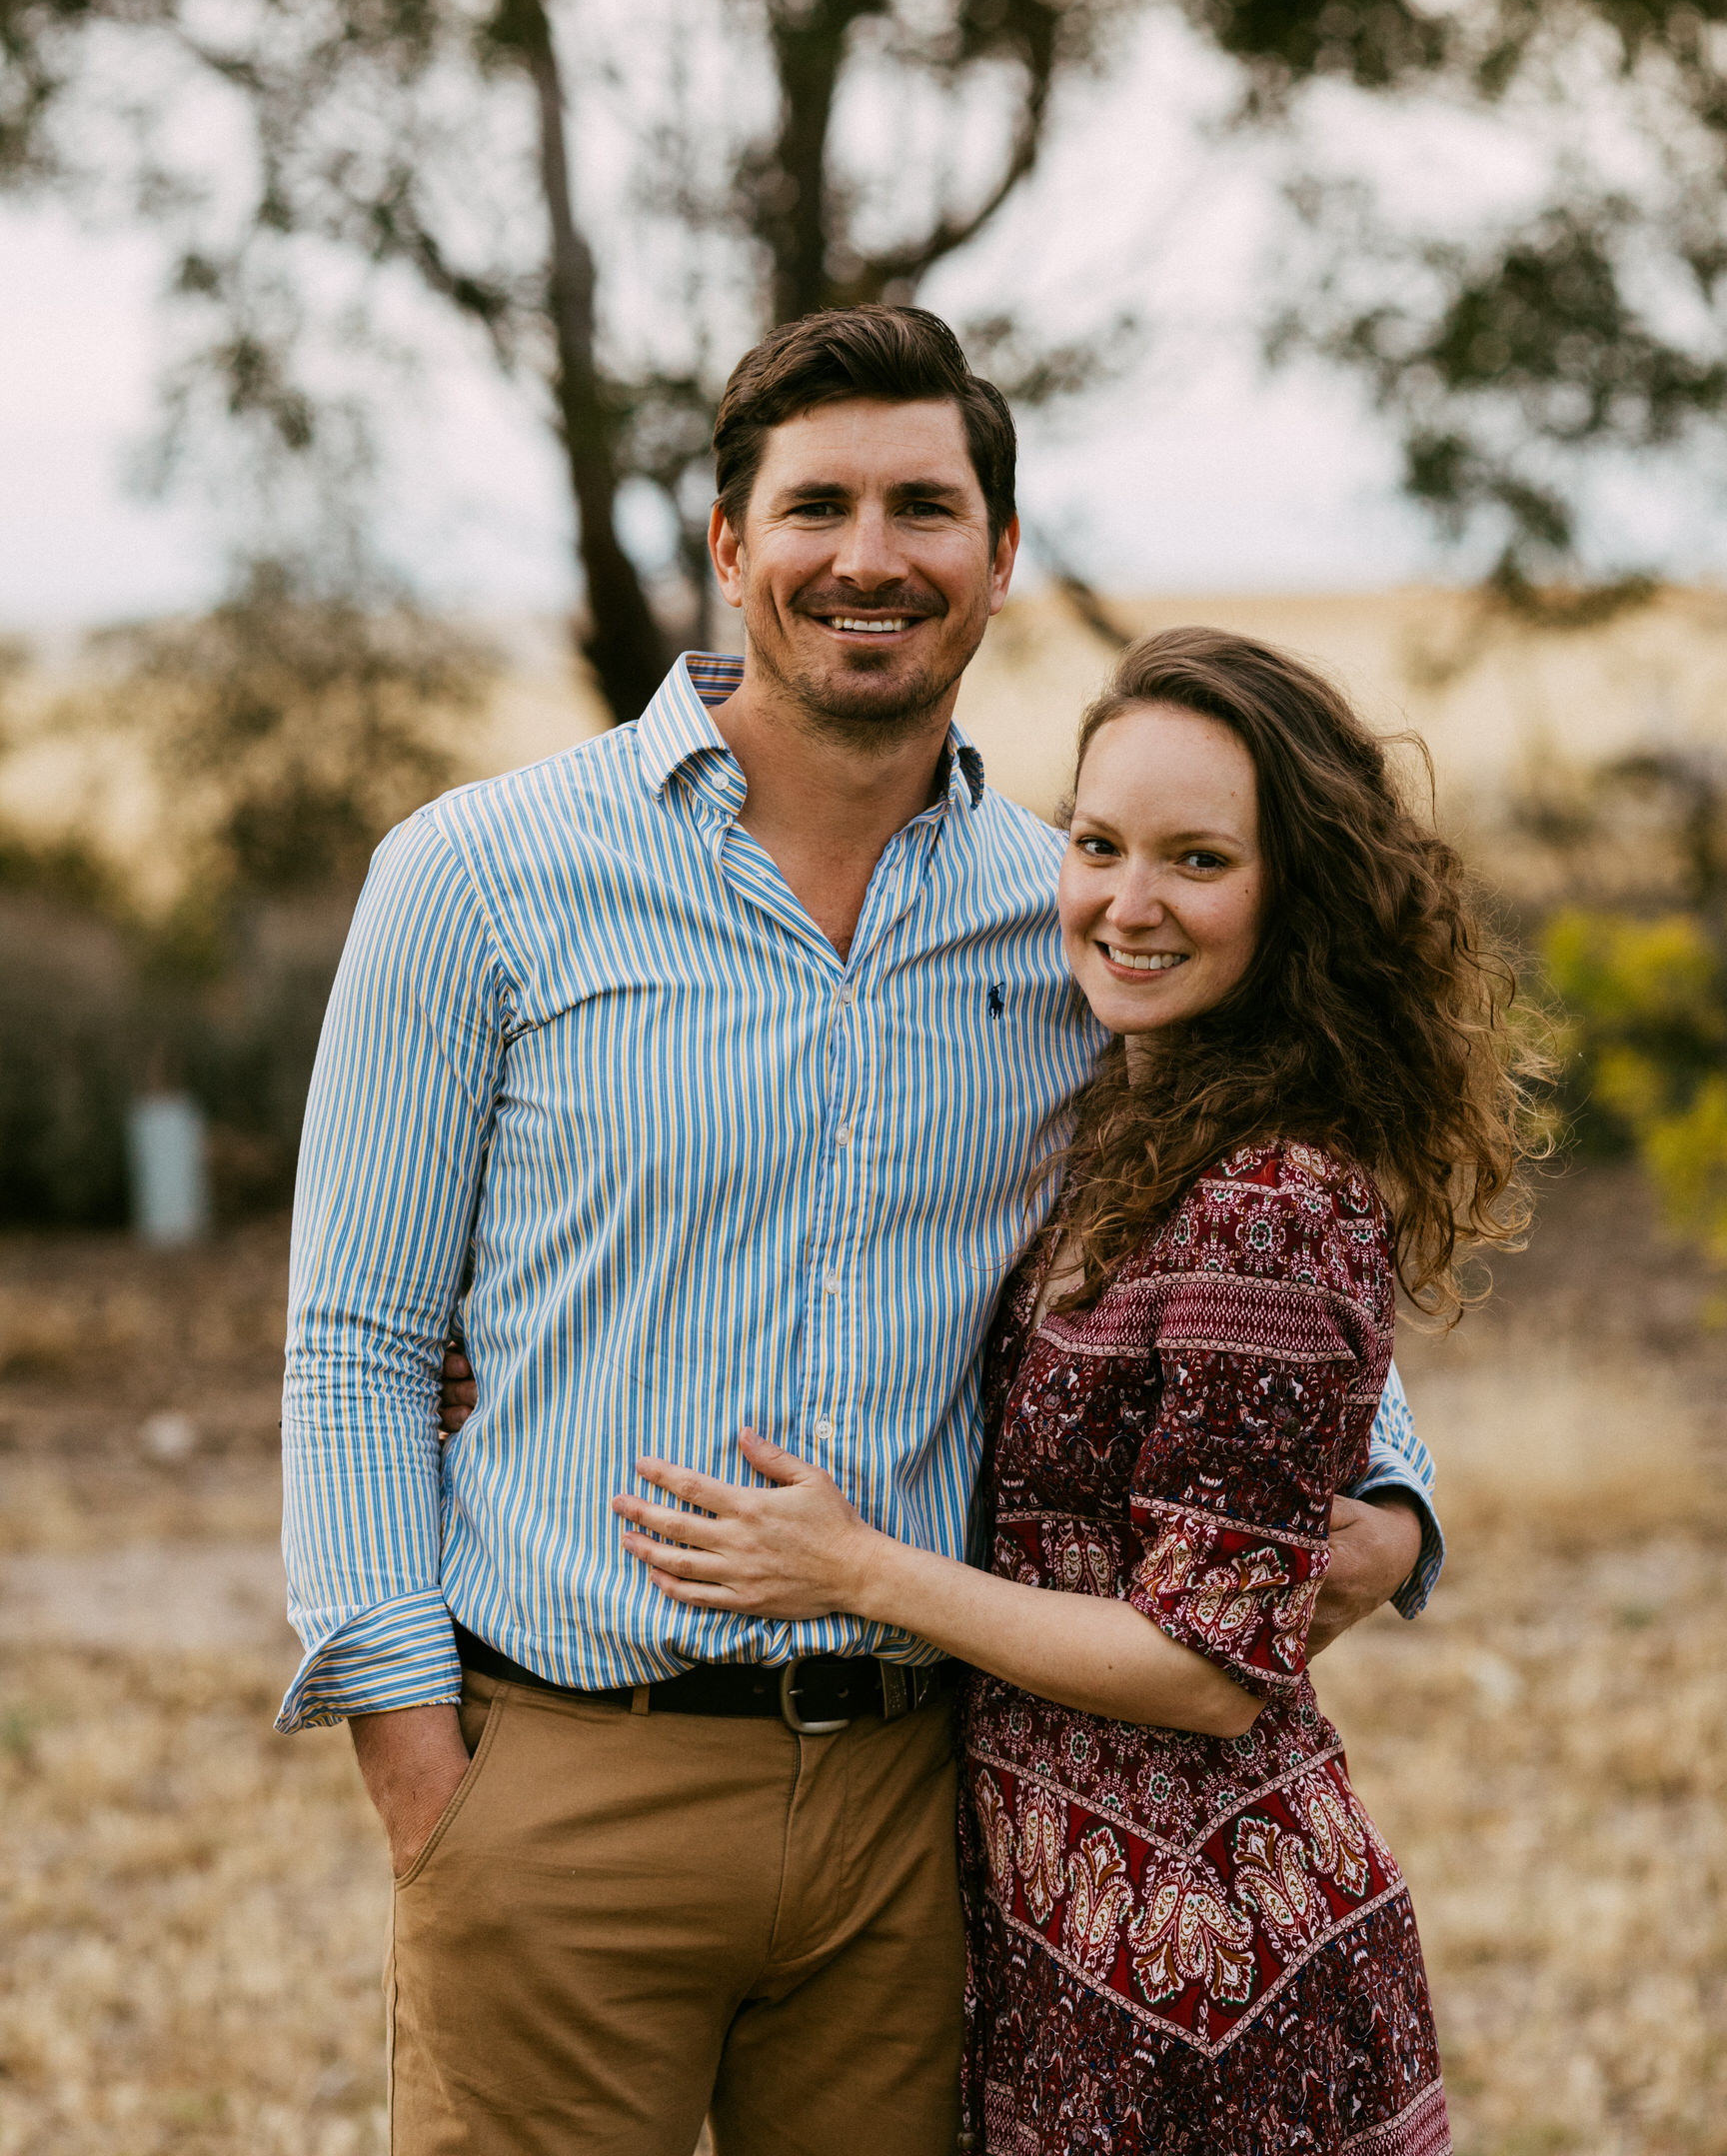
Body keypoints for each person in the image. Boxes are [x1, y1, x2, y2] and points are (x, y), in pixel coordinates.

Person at [280, 307, 1441, 2156]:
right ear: (733, 546)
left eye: (927, 504)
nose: (870, 554)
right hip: (568, 1775)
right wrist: (427, 1779)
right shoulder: (476, 879)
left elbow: (1236, 1245)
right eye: (817, 503)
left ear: (994, 559)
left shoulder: (1065, 915)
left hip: (929, 1812)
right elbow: (353, 1340)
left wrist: (1390, 1493)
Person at [612, 628, 1540, 2156]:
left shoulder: (1277, 1192)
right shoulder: (1131, 1109)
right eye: (1099, 845)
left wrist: (856, 1570)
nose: (1128, 901)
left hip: (1204, 1971)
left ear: (1293, 892)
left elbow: (1205, 1667)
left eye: (1198, 859)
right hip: (1056, 1931)